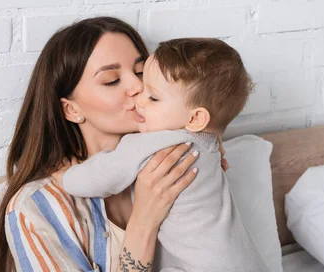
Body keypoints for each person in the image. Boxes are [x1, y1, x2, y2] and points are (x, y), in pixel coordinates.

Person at [0, 17, 229, 272]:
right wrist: (144, 223)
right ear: (71, 110)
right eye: (111, 80)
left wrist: (209, 137)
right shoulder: (37, 207)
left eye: (141, 72)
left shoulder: (180, 161)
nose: (138, 87)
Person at [61, 38, 268, 272]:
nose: (138, 96)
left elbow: (98, 176)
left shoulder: (149, 145)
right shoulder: (210, 144)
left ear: (196, 119)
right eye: (112, 80)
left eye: (153, 97)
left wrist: (67, 175)